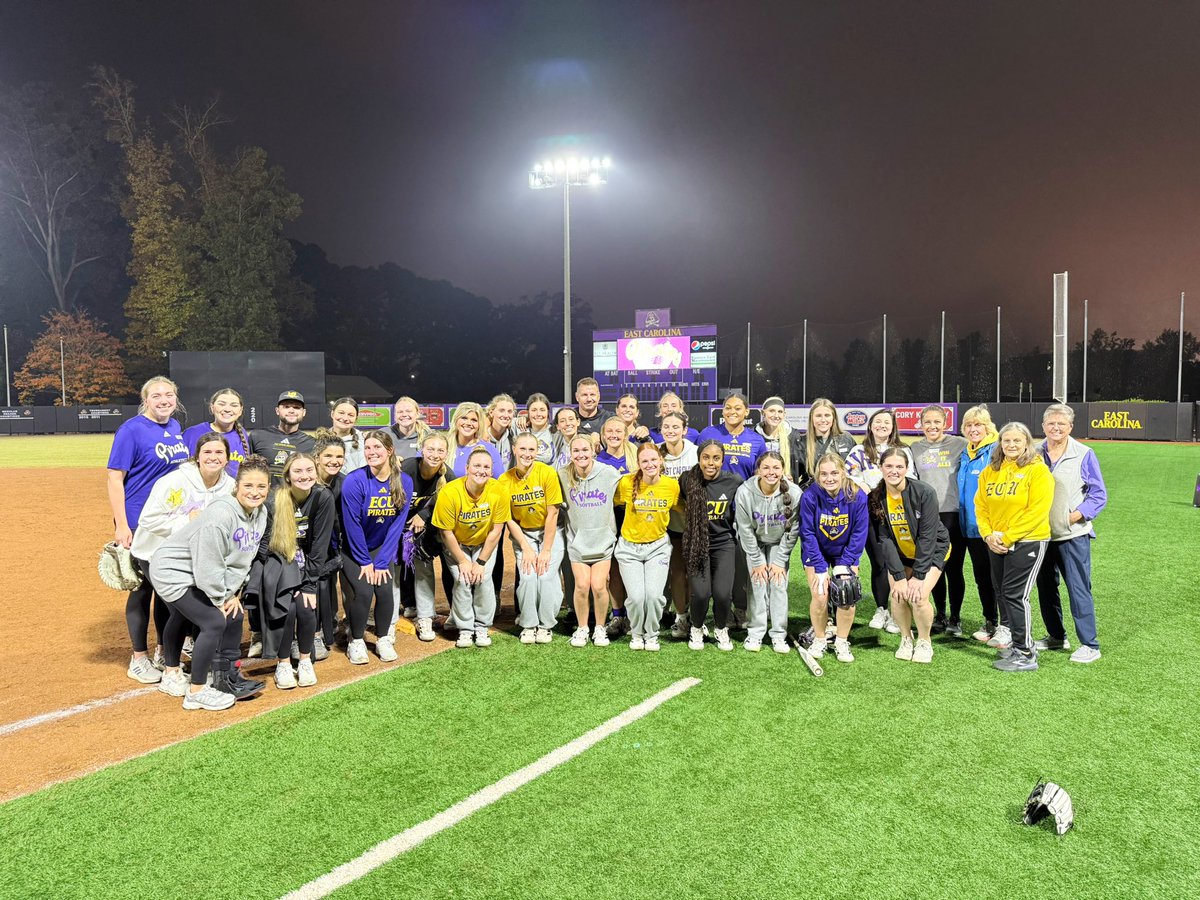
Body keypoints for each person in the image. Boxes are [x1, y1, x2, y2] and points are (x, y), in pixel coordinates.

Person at [148, 456, 270, 711]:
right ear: (236, 486)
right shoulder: (220, 514)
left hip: (200, 572)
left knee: (233, 615)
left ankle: (224, 676)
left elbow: (241, 557)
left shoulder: (260, 512)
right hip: (174, 571)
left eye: (261, 487)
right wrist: (221, 598)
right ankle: (197, 692)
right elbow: (208, 564)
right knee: (214, 621)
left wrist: (233, 593)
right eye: (248, 486)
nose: (255, 492)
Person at [133, 431, 234, 689]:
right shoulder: (175, 481)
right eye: (207, 452)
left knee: (200, 606)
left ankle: (179, 659)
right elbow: (148, 521)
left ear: (227, 457)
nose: (213, 457)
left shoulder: (229, 486)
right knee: (180, 611)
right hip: (156, 554)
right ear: (197, 457)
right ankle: (171, 670)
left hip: (195, 557)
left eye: (219, 452)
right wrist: (187, 522)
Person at [107, 376, 191, 684]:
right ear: (146, 400)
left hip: (171, 521)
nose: (164, 399)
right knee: (143, 589)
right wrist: (122, 525)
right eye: (157, 395)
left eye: (169, 394)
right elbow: (115, 479)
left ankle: (161, 650)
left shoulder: (174, 429)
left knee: (167, 588)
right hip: (140, 521)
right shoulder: (130, 430)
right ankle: (138, 658)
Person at [248, 452, 335, 690]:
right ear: (287, 475)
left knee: (306, 608)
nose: (304, 475)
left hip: (307, 560)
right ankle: (283, 663)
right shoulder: (275, 500)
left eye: (309, 470)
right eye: (297, 471)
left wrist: (308, 584)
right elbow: (265, 544)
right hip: (280, 560)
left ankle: (305, 660)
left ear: (316, 473)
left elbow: (319, 545)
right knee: (285, 607)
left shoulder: (322, 496)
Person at [976, 422, 1054, 672]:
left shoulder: (1037, 471)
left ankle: (1026, 652)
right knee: (1002, 592)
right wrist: (988, 535)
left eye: (1016, 441)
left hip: (1028, 541)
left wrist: (1007, 538)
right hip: (996, 541)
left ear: (1026, 443)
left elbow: (1037, 512)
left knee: (1016, 595)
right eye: (1006, 441)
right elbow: (981, 506)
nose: (1011, 445)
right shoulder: (991, 470)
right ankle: (1016, 645)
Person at [1034, 403, 1108, 664]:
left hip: (1072, 534)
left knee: (1078, 588)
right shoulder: (1034, 452)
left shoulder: (1084, 453)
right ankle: (1056, 636)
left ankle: (1090, 644)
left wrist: (1075, 516)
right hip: (1041, 534)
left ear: (1070, 427)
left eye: (1061, 424)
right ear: (1043, 426)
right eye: (1051, 423)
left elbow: (1098, 494)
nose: (1055, 428)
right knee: (1045, 587)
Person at [868, 447, 950, 664]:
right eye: (889, 466)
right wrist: (899, 576)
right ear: (881, 468)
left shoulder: (924, 492)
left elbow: (928, 536)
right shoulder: (875, 497)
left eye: (899, 466)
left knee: (919, 595)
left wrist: (918, 575)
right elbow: (884, 539)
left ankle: (924, 641)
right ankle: (906, 638)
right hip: (900, 552)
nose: (894, 471)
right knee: (897, 593)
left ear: (907, 468)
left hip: (933, 549)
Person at [340, 430, 413, 664]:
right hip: (353, 548)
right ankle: (357, 640)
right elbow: (352, 525)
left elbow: (397, 526)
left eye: (377, 448)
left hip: (380, 548)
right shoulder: (354, 480)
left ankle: (382, 638)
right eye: (368, 448)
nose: (371, 452)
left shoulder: (404, 481)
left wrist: (381, 561)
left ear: (389, 451)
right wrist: (365, 561)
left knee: (383, 588)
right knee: (363, 590)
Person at [432, 447, 511, 648]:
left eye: (486, 467)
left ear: (492, 470)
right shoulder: (450, 492)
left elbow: (496, 531)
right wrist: (462, 561)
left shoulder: (499, 490)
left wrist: (481, 562)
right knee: (462, 579)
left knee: (483, 578)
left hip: (484, 543)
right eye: (476, 466)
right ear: (467, 468)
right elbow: (446, 533)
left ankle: (482, 626)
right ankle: (465, 628)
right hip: (456, 544)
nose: (481, 470)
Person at [847, 408, 914, 633]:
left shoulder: (903, 450)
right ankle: (881, 609)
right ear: (870, 425)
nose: (882, 425)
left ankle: (898, 612)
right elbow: (848, 477)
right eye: (878, 422)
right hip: (869, 514)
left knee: (899, 564)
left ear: (894, 426)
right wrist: (864, 487)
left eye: (887, 422)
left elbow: (912, 478)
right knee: (879, 563)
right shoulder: (858, 450)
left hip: (897, 514)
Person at [800, 452, 869, 663]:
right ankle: (820, 639)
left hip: (844, 552)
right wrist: (820, 567)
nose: (829, 478)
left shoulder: (857, 495)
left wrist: (844, 565)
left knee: (846, 595)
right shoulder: (810, 495)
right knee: (820, 595)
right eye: (824, 474)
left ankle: (841, 640)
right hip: (816, 551)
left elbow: (859, 533)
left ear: (843, 473)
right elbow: (808, 533)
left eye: (834, 473)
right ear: (817, 475)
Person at [613, 442, 680, 651]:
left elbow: (682, 511)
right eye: (645, 461)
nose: (650, 464)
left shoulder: (671, 486)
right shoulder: (626, 483)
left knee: (653, 596)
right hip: (629, 548)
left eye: (653, 459)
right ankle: (637, 632)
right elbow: (612, 506)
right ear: (638, 464)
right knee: (635, 597)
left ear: (661, 460)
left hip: (657, 548)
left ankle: (651, 634)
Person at [909, 404, 969, 635]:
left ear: (945, 424)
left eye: (937, 422)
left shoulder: (959, 444)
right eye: (928, 422)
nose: (932, 426)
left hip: (953, 513)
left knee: (954, 568)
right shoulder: (915, 448)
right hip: (927, 516)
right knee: (934, 567)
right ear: (921, 424)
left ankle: (955, 618)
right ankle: (940, 616)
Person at [500, 433, 565, 644]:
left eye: (531, 450)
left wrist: (546, 550)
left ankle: (545, 625)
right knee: (528, 576)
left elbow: (553, 513)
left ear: (537, 452)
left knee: (545, 575)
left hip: (550, 532)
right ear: (514, 450)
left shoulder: (546, 473)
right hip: (523, 534)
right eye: (523, 449)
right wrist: (526, 548)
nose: (527, 454)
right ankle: (528, 624)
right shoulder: (505, 480)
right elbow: (507, 518)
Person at [734, 451, 801, 653]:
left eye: (776, 468)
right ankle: (755, 632)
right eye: (766, 467)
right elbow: (744, 529)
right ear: (758, 470)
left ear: (782, 471)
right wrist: (756, 560)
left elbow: (793, 529)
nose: (771, 472)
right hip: (754, 542)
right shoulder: (745, 492)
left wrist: (780, 561)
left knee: (779, 583)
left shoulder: (795, 493)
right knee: (757, 581)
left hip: (779, 543)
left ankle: (778, 634)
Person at [559, 435, 622, 647]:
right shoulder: (562, 475)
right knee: (582, 585)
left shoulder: (609, 473)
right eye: (576, 451)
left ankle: (600, 628)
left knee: (598, 585)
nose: (581, 454)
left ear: (593, 451)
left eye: (585, 450)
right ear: (570, 454)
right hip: (578, 542)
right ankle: (583, 627)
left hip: (602, 541)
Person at [679, 440, 742, 651]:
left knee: (723, 593)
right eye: (706, 457)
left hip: (724, 544)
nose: (710, 463)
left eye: (716, 458)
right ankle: (696, 628)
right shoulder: (687, 480)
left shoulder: (733, 481)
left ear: (723, 460)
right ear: (699, 458)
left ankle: (721, 628)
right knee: (701, 593)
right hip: (697, 544)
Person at [397, 431, 452, 641]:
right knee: (398, 565)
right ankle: (401, 609)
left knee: (423, 563)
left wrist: (423, 514)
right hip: (398, 524)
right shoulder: (407, 468)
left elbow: (448, 501)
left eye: (440, 450)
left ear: (446, 453)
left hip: (426, 526)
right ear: (422, 449)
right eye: (430, 449)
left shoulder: (448, 475)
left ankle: (426, 615)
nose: (435, 454)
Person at [957, 404, 1003, 643]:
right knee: (983, 578)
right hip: (970, 527)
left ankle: (1006, 625)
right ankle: (990, 622)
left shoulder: (997, 450)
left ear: (988, 426)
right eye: (969, 425)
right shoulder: (966, 452)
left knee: (999, 579)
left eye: (978, 425)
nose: (973, 429)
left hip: (991, 528)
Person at [659, 411, 699, 639]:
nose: (671, 430)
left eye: (676, 427)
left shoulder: (694, 453)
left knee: (693, 572)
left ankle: (695, 616)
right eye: (666, 426)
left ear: (685, 430)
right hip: (668, 525)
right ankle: (680, 617)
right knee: (677, 571)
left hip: (693, 524)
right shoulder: (656, 451)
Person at [311, 431, 347, 654]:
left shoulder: (344, 482)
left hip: (332, 546)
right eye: (328, 456)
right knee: (310, 587)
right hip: (308, 546)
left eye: (339, 457)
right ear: (317, 458)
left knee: (328, 584)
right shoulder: (306, 478)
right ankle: (311, 630)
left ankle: (329, 623)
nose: (334, 461)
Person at [248, 390, 316, 483]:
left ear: (303, 412)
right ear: (277, 410)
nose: (291, 411)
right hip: (264, 496)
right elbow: (248, 470)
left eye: (296, 407)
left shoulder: (312, 443)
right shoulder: (257, 436)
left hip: (295, 496)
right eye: (286, 407)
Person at [182, 388, 249, 476]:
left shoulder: (242, 434)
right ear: (212, 407)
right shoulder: (192, 433)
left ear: (240, 411)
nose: (227, 409)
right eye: (222, 404)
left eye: (234, 405)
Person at [699, 393, 766, 480]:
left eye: (737, 408)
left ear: (746, 412)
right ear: (723, 411)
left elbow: (760, 474)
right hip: (712, 491)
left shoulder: (757, 440)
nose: (732, 412)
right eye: (728, 408)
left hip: (744, 492)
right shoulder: (707, 434)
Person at [792, 398, 856, 486]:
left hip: (842, 492)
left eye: (827, 415)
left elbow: (856, 468)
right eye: (818, 416)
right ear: (812, 418)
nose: (823, 420)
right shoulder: (801, 442)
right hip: (814, 494)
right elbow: (794, 475)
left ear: (833, 418)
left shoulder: (846, 438)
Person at [448, 402, 503, 477]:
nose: (468, 423)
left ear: (479, 424)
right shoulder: (445, 447)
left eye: (474, 420)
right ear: (456, 420)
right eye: (464, 418)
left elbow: (500, 483)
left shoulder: (490, 450)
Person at [756, 396, 795, 477]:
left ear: (784, 415)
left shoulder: (794, 436)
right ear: (763, 413)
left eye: (780, 412)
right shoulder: (754, 436)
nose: (776, 415)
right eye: (772, 411)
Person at [328, 397, 366, 472]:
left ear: (356, 419)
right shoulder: (320, 439)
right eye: (341, 413)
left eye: (350, 415)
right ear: (332, 414)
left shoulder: (364, 441)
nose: (345, 418)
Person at [390, 396, 430, 461]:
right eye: (400, 412)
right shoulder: (384, 434)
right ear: (395, 416)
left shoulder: (428, 436)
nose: (404, 414)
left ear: (417, 414)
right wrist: (390, 460)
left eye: (408, 411)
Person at [523, 393, 556, 464]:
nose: (538, 414)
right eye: (534, 410)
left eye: (542, 410)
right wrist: (520, 419)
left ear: (548, 412)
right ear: (528, 412)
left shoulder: (556, 432)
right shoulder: (520, 429)